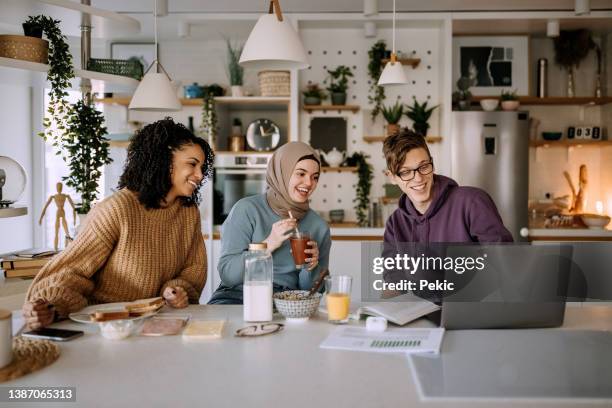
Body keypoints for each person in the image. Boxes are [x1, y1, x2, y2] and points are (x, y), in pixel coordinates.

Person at [23, 118, 214, 329]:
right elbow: (72, 272)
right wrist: (50, 305)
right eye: (192, 164)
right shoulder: (118, 209)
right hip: (105, 327)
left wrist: (176, 290)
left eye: (202, 167)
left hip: (157, 324)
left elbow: (193, 269)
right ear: (165, 160)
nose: (200, 174)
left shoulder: (188, 213)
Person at [209, 142, 331, 304]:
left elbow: (312, 291)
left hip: (286, 300)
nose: (309, 183)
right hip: (238, 295)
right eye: (301, 174)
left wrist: (310, 267)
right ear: (283, 172)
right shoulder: (246, 210)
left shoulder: (318, 226)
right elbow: (228, 275)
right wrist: (268, 244)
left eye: (315, 177)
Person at [383, 128, 513, 244]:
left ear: (432, 164)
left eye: (423, 166)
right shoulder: (394, 224)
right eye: (405, 172)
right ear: (392, 177)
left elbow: (501, 262)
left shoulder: (472, 203)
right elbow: (392, 271)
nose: (418, 178)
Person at [39, 182, 76, 251]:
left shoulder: (65, 196)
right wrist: (41, 218)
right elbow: (45, 207)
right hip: (59, 213)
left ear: (61, 188)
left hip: (62, 212)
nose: (59, 188)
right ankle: (56, 249)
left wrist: (74, 219)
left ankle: (67, 243)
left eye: (60, 187)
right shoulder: (54, 197)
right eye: (58, 187)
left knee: (66, 231)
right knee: (56, 232)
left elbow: (73, 208)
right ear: (56, 188)